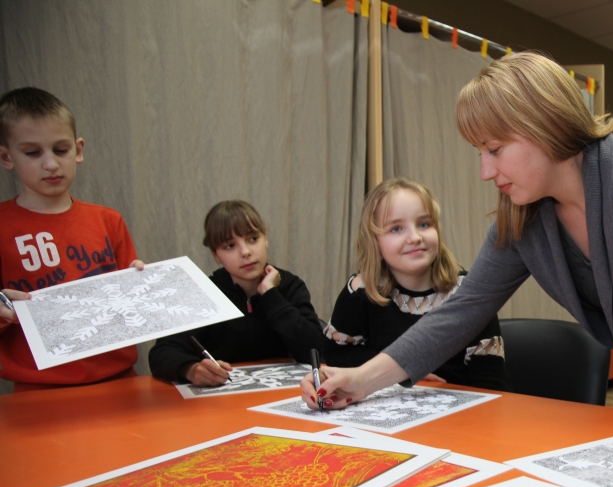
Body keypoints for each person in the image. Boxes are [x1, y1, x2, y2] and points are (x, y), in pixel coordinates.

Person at [302, 52, 613, 416]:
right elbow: (461, 311)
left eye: (494, 149)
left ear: (542, 125)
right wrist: (361, 380)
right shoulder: (522, 217)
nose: (484, 170)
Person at [0, 87, 144, 387]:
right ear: (6, 156)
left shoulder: (107, 220)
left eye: (60, 150)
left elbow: (132, 313)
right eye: (32, 153)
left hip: (119, 381)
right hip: (38, 389)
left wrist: (141, 286)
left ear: (78, 150)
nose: (50, 164)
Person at [323, 178, 511, 391]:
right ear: (374, 241)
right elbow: (334, 353)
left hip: (459, 412)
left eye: (424, 224)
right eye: (396, 229)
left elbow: (491, 381)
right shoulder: (360, 291)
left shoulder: (469, 291)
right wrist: (401, 371)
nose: (415, 237)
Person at [148, 200, 323, 385]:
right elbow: (161, 353)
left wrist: (271, 294)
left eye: (253, 239)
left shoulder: (290, 286)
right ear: (216, 256)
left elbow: (316, 349)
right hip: (219, 399)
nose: (245, 252)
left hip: (282, 394)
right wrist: (191, 369)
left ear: (266, 239)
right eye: (230, 246)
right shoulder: (204, 292)